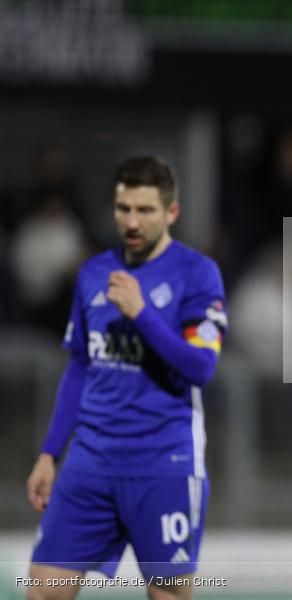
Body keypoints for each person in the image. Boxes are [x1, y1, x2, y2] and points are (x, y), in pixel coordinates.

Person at [24, 156, 227, 600]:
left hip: (163, 463)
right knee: (41, 590)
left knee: (168, 595)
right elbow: (80, 365)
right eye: (124, 209)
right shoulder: (94, 273)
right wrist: (49, 452)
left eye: (145, 210)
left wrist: (143, 315)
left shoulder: (197, 274)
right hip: (89, 461)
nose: (132, 221)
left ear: (171, 212)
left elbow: (200, 366)